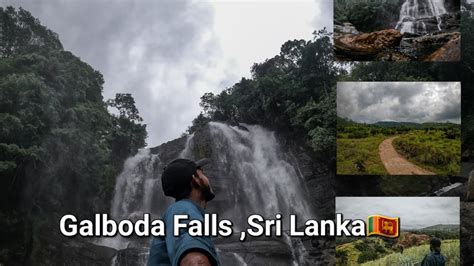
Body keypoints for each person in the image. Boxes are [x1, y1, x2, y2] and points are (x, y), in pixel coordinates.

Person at [147, 158, 220, 266]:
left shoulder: (179, 210)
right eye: (202, 174)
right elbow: (195, 262)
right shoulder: (183, 210)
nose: (207, 178)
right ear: (196, 180)